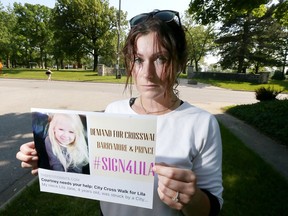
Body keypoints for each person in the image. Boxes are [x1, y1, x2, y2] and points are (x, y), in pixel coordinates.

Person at [16, 9, 223, 216]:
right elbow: (92, 171)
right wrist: (44, 158)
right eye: (138, 59)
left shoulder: (201, 124)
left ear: (180, 63)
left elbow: (211, 207)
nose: (147, 74)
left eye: (161, 59)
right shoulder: (114, 111)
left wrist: (192, 198)